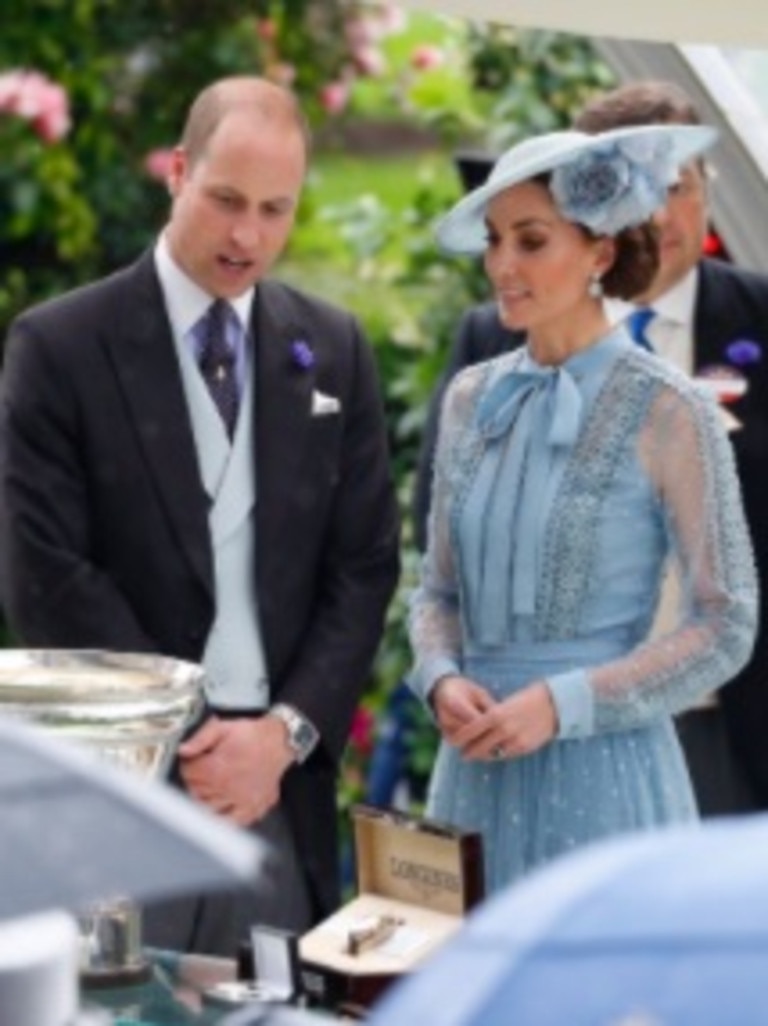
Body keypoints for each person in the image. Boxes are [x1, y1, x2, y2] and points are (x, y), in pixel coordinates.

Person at [0, 76, 400, 955]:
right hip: (119, 797)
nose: (248, 235)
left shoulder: (335, 348)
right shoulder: (59, 346)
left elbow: (364, 567)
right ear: (178, 172)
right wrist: (189, 739)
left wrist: (283, 735)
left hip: (277, 795)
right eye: (225, 200)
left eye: (275, 209)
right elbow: (46, 573)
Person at [407, 121, 758, 894]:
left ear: (600, 252)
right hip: (473, 780)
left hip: (609, 786)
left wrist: (564, 704)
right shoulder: (471, 399)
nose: (502, 264)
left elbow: (726, 623)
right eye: (495, 240)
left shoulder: (671, 410)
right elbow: (435, 591)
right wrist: (438, 676)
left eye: (531, 241)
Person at [573, 80, 768, 816]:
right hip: (574, 733)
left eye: (676, 186)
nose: (658, 216)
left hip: (737, 730)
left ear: (707, 189)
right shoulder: (508, 337)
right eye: (631, 190)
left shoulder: (763, 319)